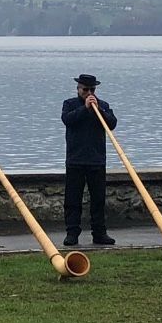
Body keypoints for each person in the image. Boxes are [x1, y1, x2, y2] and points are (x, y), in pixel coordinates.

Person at [61, 73, 117, 246]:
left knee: (98, 200)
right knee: (72, 199)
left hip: (97, 160)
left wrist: (97, 109)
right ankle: (72, 233)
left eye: (92, 89)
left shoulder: (104, 105)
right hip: (75, 159)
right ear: (78, 89)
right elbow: (67, 120)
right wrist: (84, 109)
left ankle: (99, 233)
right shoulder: (69, 104)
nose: (89, 92)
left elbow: (112, 124)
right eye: (85, 89)